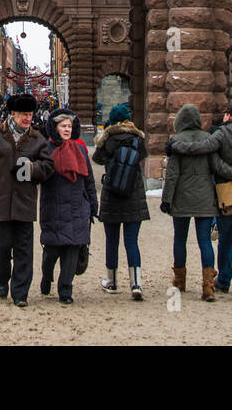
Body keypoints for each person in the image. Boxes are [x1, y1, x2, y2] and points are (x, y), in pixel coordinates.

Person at [167, 102, 232, 303]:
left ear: (229, 116)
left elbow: (206, 154)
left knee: (225, 240)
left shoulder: (221, 135)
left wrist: (176, 146)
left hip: (227, 196)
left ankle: (221, 281)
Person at [0, 93, 55, 307]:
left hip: (25, 204)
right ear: (12, 114)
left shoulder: (37, 139)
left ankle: (20, 293)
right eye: (23, 114)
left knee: (25, 252)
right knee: (3, 248)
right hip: (1, 203)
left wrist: (31, 168)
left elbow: (48, 166)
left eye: (30, 114)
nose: (27, 118)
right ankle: (2, 276)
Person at [38, 109, 97, 304]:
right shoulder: (46, 149)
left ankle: (66, 289)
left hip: (77, 206)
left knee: (72, 250)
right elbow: (39, 175)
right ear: (55, 128)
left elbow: (88, 178)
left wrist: (93, 203)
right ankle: (47, 276)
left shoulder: (80, 150)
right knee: (51, 251)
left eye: (69, 126)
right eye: (63, 126)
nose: (67, 129)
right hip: (54, 205)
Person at [91, 102, 149, 300]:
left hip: (113, 193)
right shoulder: (137, 139)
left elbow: (97, 159)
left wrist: (105, 135)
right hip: (134, 194)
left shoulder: (108, 139)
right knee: (132, 241)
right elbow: (143, 156)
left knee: (112, 241)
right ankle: (136, 283)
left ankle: (112, 281)